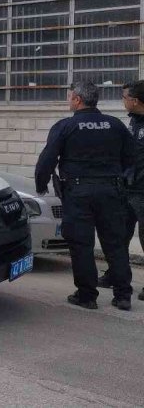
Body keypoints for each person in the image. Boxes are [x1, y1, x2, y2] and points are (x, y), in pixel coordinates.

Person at [35, 82, 134, 311]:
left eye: (70, 97)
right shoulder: (115, 124)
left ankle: (87, 296)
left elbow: (47, 160)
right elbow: (131, 158)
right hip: (111, 191)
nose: (69, 100)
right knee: (116, 244)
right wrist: (123, 182)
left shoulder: (66, 126)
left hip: (78, 193)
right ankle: (122, 296)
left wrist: (41, 185)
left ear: (78, 99)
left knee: (81, 244)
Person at [101, 80, 144, 296]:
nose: (123, 101)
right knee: (118, 236)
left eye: (125, 97)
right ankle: (115, 274)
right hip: (127, 189)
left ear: (135, 101)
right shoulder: (133, 121)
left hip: (142, 192)